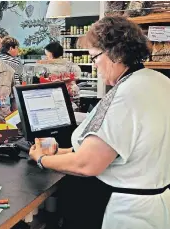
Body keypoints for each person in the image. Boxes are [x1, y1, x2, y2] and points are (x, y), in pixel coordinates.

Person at [29, 16, 170, 229]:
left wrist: (41, 159)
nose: (94, 65)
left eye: (95, 57)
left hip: (127, 213)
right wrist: (61, 152)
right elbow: (118, 148)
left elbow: (87, 164)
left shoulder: (127, 95)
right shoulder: (159, 81)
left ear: (116, 53)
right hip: (156, 206)